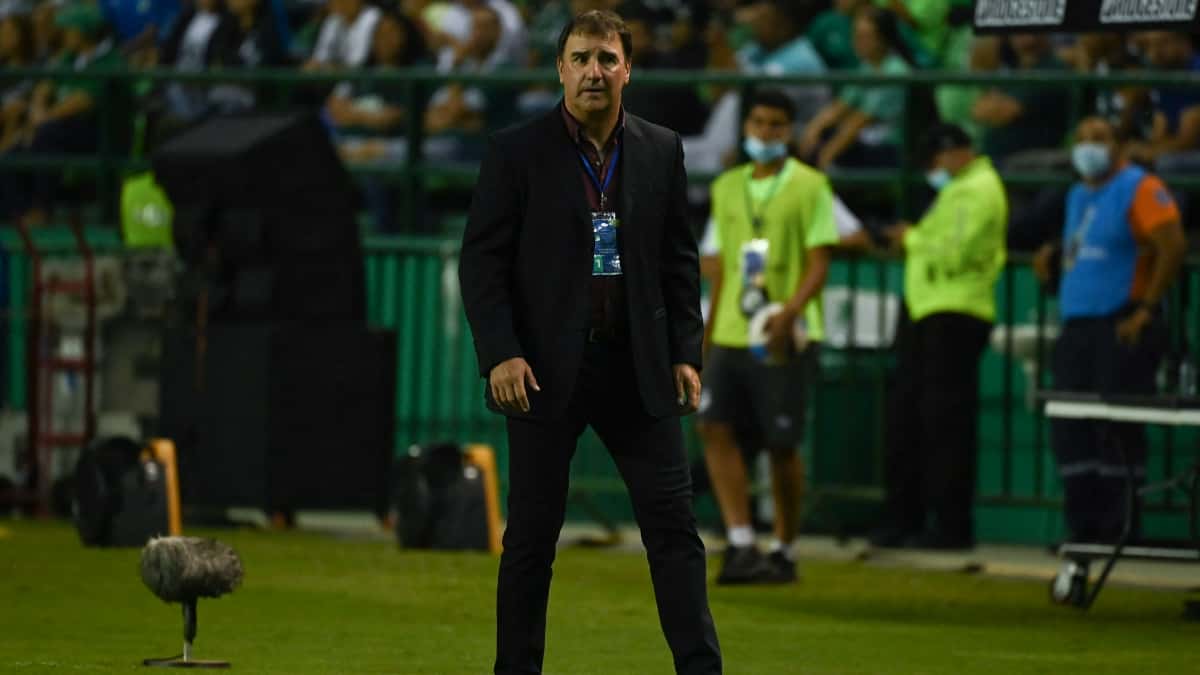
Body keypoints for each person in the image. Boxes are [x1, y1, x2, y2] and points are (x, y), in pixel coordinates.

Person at [457, 9, 721, 675]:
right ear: (560, 69)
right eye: (580, 58)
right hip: (543, 370)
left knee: (674, 533)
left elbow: (679, 260)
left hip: (638, 365)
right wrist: (500, 352)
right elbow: (482, 263)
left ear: (628, 69)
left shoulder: (660, 148)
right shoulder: (515, 150)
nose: (593, 71)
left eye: (606, 58)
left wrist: (685, 351)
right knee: (530, 540)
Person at [697, 89, 837, 584]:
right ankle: (740, 541)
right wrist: (706, 335)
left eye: (776, 124)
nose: (765, 132)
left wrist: (791, 312)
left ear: (790, 131)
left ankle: (785, 546)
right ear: (745, 127)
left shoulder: (810, 186)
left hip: (785, 333)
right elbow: (720, 269)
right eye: (758, 122)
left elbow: (820, 261)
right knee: (713, 426)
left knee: (781, 443)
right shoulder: (727, 187)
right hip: (732, 329)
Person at [1032, 116, 1186, 548]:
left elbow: (1172, 245)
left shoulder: (1140, 187)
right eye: (1081, 138)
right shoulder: (1077, 195)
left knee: (1117, 427)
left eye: (1098, 138)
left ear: (1119, 145)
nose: (1088, 146)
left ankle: (1121, 527)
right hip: (1077, 324)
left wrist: (1146, 309)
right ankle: (1083, 528)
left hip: (1121, 323)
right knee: (1070, 425)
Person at [872, 123, 1007, 550]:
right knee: (912, 418)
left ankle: (950, 525)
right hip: (928, 308)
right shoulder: (960, 190)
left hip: (955, 311)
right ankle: (909, 518)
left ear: (956, 152)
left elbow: (956, 253)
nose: (934, 168)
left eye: (936, 158)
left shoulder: (979, 190)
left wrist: (911, 238)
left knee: (945, 424)